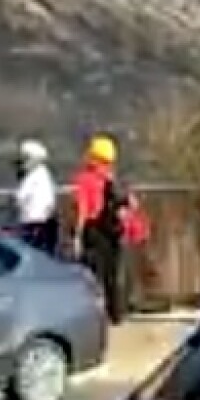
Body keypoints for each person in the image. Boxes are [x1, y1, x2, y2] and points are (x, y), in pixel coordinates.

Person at [70, 134, 143, 324]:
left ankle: (92, 316)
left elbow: (82, 209)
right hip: (113, 230)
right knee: (112, 274)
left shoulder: (84, 179)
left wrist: (77, 236)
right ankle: (116, 313)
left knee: (92, 276)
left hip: (93, 230)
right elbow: (131, 204)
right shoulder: (113, 178)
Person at [12, 139, 59, 255]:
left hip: (34, 224)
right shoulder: (44, 175)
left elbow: (20, 198)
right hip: (43, 223)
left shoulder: (33, 177)